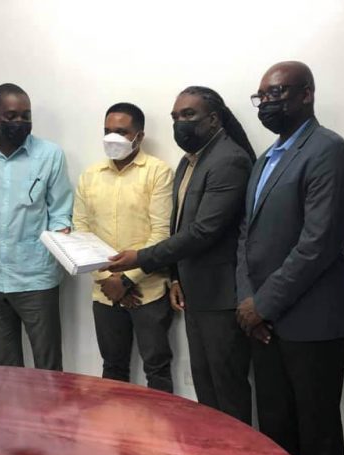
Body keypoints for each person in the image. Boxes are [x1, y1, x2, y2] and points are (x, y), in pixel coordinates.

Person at [236, 61, 344, 455]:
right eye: (262, 96)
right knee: (275, 429)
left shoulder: (329, 152)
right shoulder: (266, 158)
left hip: (312, 323)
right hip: (263, 322)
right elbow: (246, 236)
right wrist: (248, 301)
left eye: (277, 93)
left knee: (317, 433)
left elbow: (319, 244)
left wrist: (262, 304)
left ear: (306, 94)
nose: (267, 103)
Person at [106, 86, 255, 423]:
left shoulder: (229, 159)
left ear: (214, 119)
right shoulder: (190, 161)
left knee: (228, 392)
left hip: (222, 297)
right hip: (195, 292)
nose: (180, 123)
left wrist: (141, 257)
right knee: (206, 390)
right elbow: (179, 225)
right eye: (175, 117)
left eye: (189, 115)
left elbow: (204, 231)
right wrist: (174, 275)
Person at [0, 83, 73, 370]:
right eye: (11, 116)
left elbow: (60, 213)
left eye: (26, 115)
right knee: (5, 369)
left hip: (37, 277)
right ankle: (11, 415)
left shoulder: (50, 154)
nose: (20, 122)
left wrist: (62, 242)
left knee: (48, 367)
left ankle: (50, 416)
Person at [73, 103, 175, 392]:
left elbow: (161, 234)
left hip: (148, 290)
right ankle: (116, 434)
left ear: (138, 137)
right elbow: (81, 233)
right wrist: (108, 280)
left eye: (121, 132)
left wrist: (128, 280)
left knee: (157, 367)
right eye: (107, 131)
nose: (112, 138)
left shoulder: (158, 172)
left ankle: (160, 436)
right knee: (113, 367)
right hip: (104, 292)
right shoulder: (89, 176)